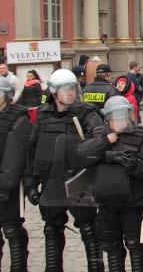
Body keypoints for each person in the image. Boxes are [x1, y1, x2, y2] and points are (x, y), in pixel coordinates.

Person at [24, 69, 105, 271]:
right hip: (50, 179)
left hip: (79, 179)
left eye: (73, 88)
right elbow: (32, 151)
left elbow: (97, 142)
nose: (71, 93)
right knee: (52, 229)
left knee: (88, 228)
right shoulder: (42, 116)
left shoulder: (87, 113)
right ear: (54, 92)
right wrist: (31, 184)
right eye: (66, 89)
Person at [77, 96, 143, 272]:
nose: (121, 122)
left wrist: (135, 165)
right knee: (112, 246)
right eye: (117, 118)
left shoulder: (140, 136)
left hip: (133, 202)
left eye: (124, 117)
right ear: (108, 119)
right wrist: (107, 146)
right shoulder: (98, 134)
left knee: (135, 245)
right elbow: (85, 157)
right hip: (106, 204)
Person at [0, 77, 32, 270]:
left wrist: (4, 187)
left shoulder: (18, 118)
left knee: (12, 230)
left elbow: (14, 157)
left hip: (8, 189)